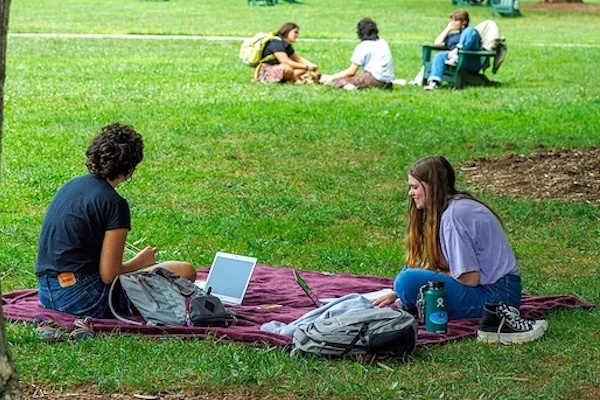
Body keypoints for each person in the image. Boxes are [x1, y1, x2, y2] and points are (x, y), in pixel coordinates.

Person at [36, 122, 197, 319]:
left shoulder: (71, 185)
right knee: (185, 271)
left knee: (172, 270)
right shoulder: (114, 203)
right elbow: (110, 274)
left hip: (47, 292)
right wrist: (140, 262)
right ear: (130, 169)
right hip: (84, 299)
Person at [373, 155, 522, 319]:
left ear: (432, 187)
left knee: (407, 280)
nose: (411, 193)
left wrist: (407, 287)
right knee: (411, 270)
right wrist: (397, 292)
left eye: (415, 187)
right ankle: (411, 299)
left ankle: (412, 304)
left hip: (496, 298)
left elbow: (469, 278)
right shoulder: (456, 207)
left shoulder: (454, 217)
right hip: (495, 290)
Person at [321, 18, 394, 90]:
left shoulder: (363, 46)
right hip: (388, 82)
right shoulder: (383, 42)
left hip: (375, 80)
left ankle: (353, 88)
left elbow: (351, 71)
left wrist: (332, 77)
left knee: (338, 81)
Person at [424, 10, 482, 90]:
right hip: (451, 61)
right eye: (452, 21)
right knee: (440, 56)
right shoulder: (452, 36)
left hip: (468, 60)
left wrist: (456, 51)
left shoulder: (471, 33)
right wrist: (448, 29)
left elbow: (471, 39)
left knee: (470, 30)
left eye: (455, 20)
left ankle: (457, 54)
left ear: (464, 22)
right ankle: (434, 83)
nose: (452, 23)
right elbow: (437, 42)